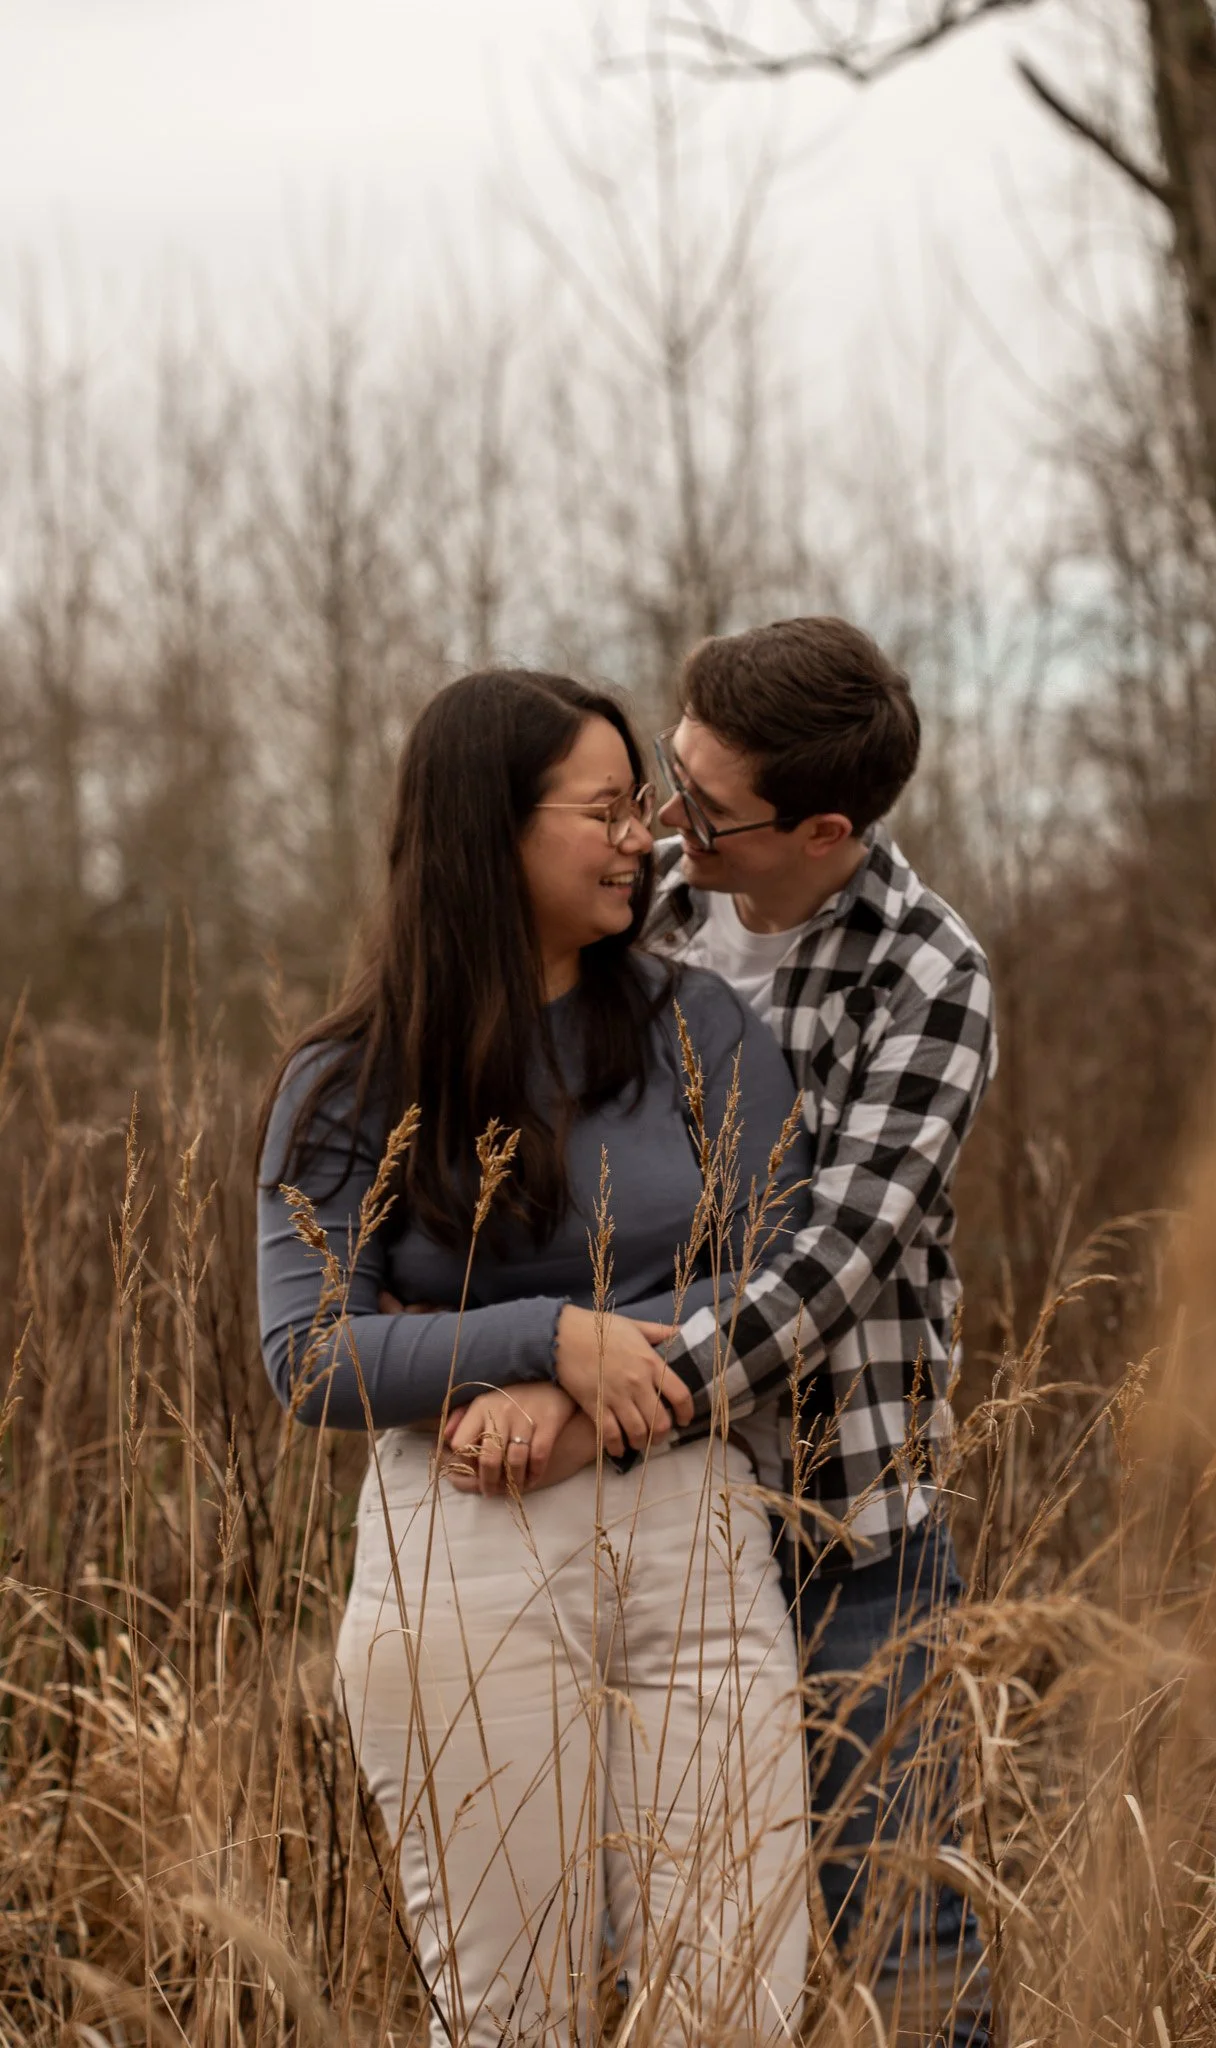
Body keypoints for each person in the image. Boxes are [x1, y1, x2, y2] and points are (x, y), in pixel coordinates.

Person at [255, 670, 812, 2047]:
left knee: (737, 2006)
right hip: (467, 1551)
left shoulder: (702, 1029)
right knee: (518, 2019)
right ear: (487, 830)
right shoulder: (348, 1080)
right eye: (608, 810)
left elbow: (788, 1273)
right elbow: (308, 1348)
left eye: (644, 806)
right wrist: (541, 1335)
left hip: (697, 1539)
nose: (647, 839)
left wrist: (582, 1399)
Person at [641, 618, 997, 2047]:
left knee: (906, 1936)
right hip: (648, 1525)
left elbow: (835, 1258)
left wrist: (616, 1387)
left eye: (707, 810)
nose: (671, 824)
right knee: (676, 1937)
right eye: (671, 775)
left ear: (826, 827)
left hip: (846, 1528)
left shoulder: (925, 973)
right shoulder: (646, 906)